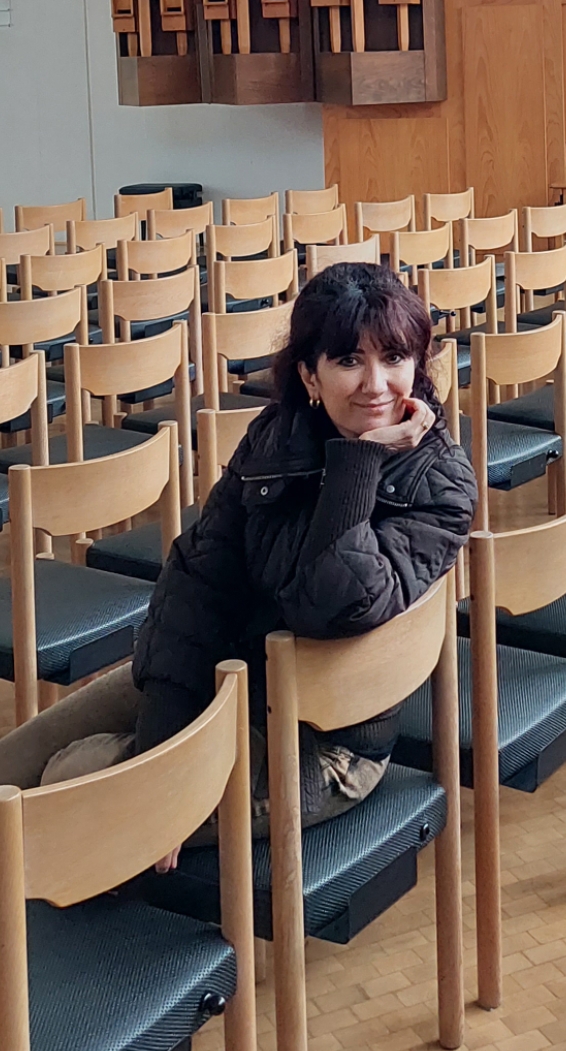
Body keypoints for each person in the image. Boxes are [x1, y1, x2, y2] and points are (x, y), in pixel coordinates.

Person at [133, 262, 476, 856]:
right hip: (227, 676)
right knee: (21, 763)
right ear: (309, 376)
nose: (376, 383)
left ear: (418, 366)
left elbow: (334, 606)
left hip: (326, 746)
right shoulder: (278, 432)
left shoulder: (440, 483)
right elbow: (199, 575)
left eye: (394, 358)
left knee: (67, 782)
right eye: (348, 361)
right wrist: (165, 735)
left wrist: (359, 461)